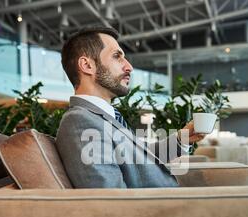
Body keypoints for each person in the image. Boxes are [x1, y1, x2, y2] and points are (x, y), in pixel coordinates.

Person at [56, 26, 205, 188]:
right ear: (87, 65)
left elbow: (139, 159)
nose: (129, 67)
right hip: (167, 208)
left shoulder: (102, 117)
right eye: (116, 56)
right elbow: (112, 198)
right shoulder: (79, 121)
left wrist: (181, 139)